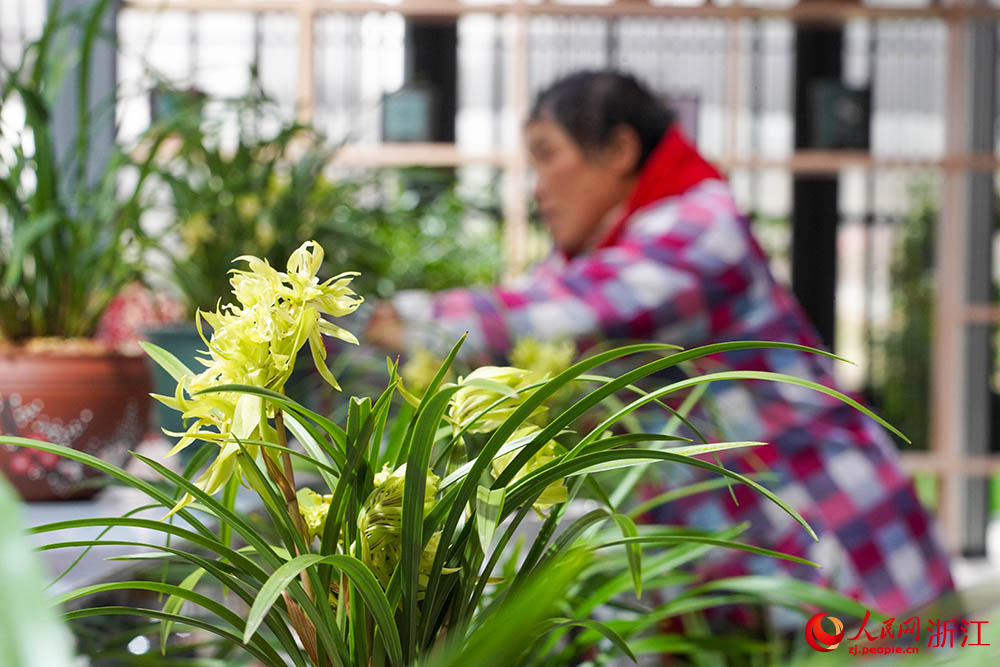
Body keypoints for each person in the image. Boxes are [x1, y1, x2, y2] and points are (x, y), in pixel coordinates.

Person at [366, 70, 953, 619]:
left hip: (841, 529)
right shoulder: (606, 248)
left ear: (619, 151)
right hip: (747, 546)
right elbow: (545, 297)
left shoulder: (701, 224)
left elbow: (568, 312)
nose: (537, 188)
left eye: (547, 156)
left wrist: (410, 319)